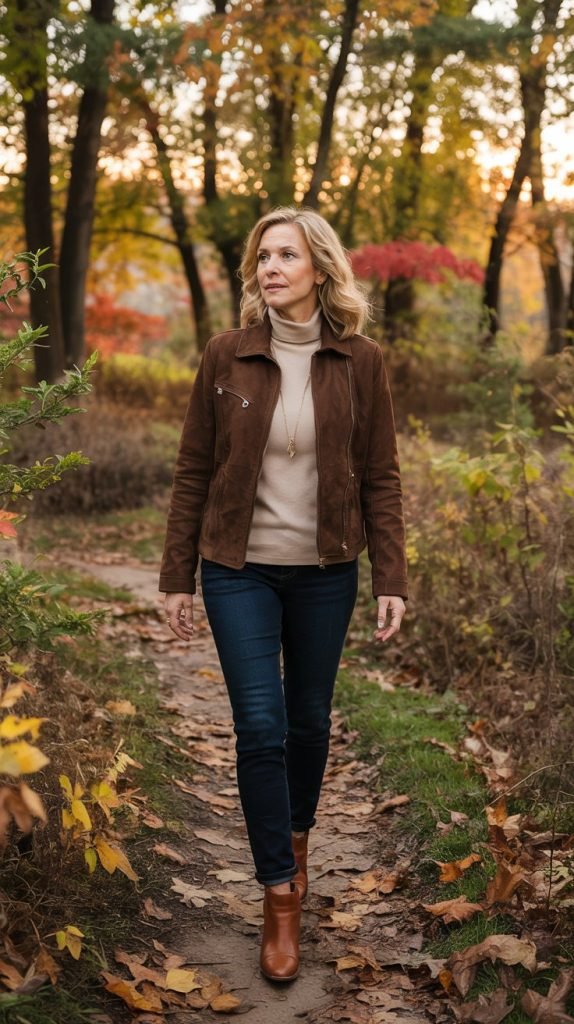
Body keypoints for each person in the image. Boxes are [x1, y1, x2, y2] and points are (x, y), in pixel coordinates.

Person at [159, 207, 407, 983]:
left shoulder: (361, 361)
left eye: (286, 255)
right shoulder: (225, 354)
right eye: (262, 256)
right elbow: (193, 467)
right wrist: (176, 576)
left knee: (307, 722)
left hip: (327, 573)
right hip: (239, 569)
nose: (269, 268)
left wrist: (392, 578)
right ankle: (278, 896)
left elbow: (381, 475)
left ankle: (296, 843)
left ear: (320, 270)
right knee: (261, 727)